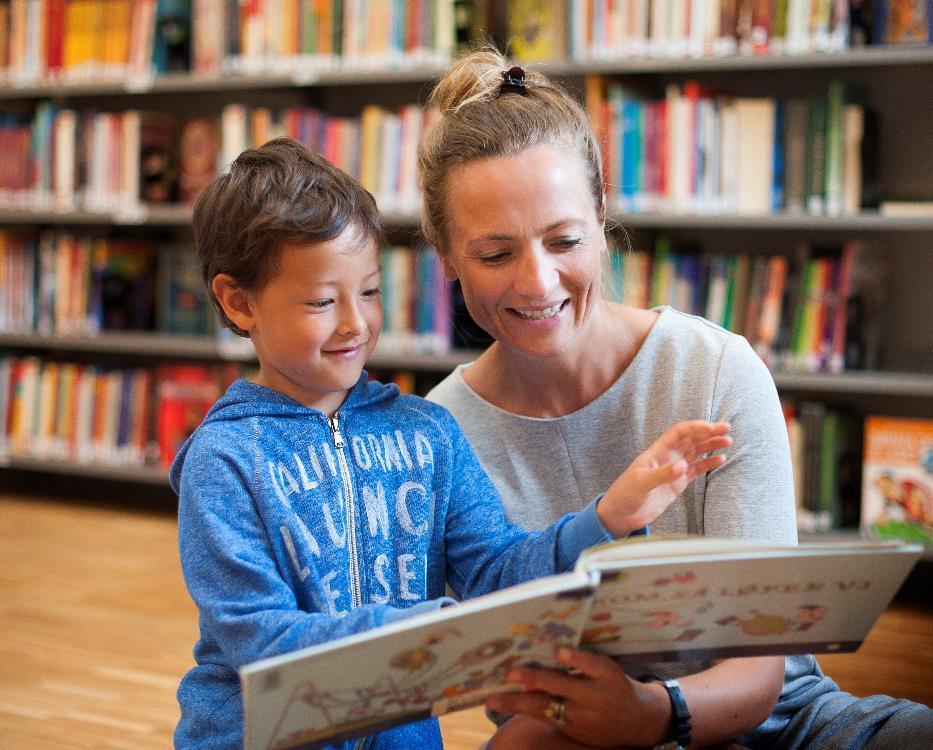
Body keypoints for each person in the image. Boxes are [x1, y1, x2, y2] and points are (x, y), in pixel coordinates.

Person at [419, 49, 933, 749]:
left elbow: (762, 668)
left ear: (601, 219)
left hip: (775, 724)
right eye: (493, 254)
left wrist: (650, 715)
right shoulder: (438, 432)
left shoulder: (715, 370)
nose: (537, 284)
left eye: (564, 239)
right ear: (442, 252)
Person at [170, 137, 733, 749]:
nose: (356, 324)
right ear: (238, 301)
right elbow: (261, 641)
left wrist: (609, 516)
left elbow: (497, 572)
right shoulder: (224, 460)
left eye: (369, 292)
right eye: (322, 302)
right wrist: (433, 638)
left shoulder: (427, 432)